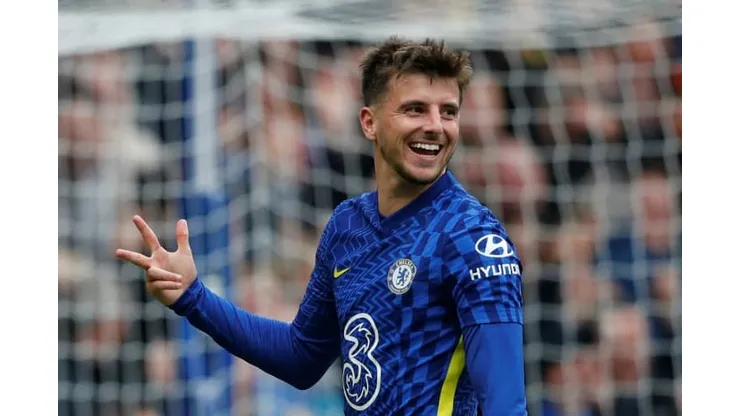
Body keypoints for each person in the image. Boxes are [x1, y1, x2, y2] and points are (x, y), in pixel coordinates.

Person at [116, 37, 528, 415]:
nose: (436, 125)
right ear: (369, 122)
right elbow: (302, 358)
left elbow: (505, 405)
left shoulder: (472, 239)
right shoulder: (348, 226)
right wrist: (193, 297)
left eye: (448, 112)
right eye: (415, 109)